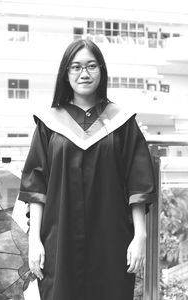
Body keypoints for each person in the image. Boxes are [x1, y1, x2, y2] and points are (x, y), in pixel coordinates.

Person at [18, 38, 156, 300]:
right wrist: (34, 241)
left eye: (92, 66)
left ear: (101, 71)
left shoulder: (122, 122)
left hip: (111, 236)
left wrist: (140, 235)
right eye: (76, 67)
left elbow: (138, 184)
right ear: (65, 74)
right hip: (59, 238)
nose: (84, 73)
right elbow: (36, 188)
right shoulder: (49, 123)